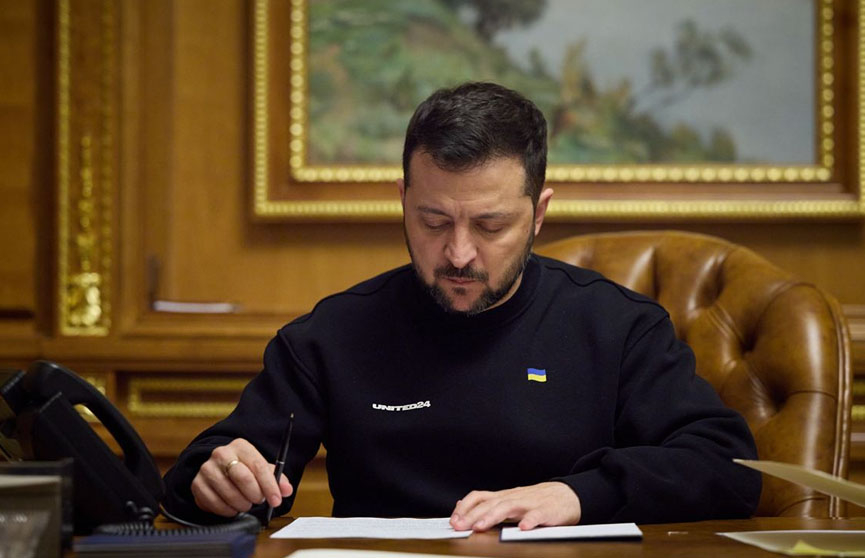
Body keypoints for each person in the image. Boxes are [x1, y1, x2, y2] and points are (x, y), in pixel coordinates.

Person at [162, 82, 761, 530]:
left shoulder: (616, 327)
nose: (459, 253)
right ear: (402, 201)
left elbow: (726, 466)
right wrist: (217, 479)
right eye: (433, 221)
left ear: (539, 214)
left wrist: (579, 494)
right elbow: (204, 478)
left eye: (491, 225)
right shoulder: (333, 334)